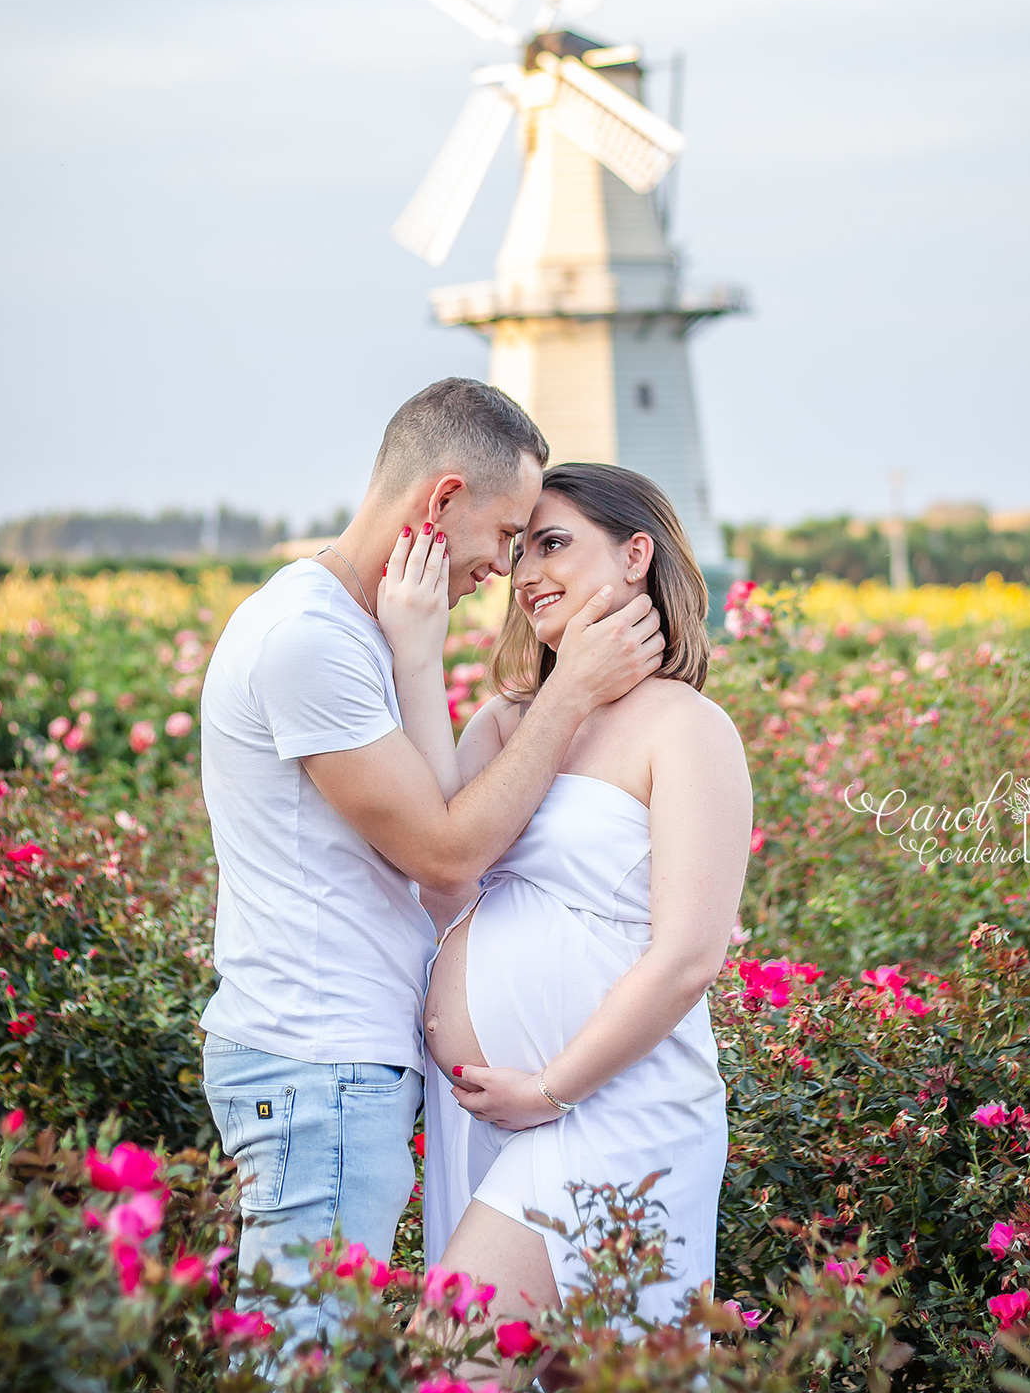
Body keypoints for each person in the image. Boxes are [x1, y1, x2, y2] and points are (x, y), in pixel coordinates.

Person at [198, 381, 664, 1348]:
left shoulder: (352, 629)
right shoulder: (307, 642)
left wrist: (419, 653)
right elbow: (445, 855)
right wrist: (571, 692)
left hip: (338, 1064)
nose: (503, 570)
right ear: (442, 499)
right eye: (505, 535)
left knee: (312, 1348)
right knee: (308, 1358)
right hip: (318, 1058)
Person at [377, 461, 752, 1350]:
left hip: (607, 1110)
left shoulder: (685, 727)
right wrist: (417, 652)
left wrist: (552, 1089)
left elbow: (689, 958)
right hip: (490, 1115)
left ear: (634, 555)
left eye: (552, 544)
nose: (526, 573)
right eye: (518, 552)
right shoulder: (509, 723)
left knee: (453, 1357)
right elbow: (443, 871)